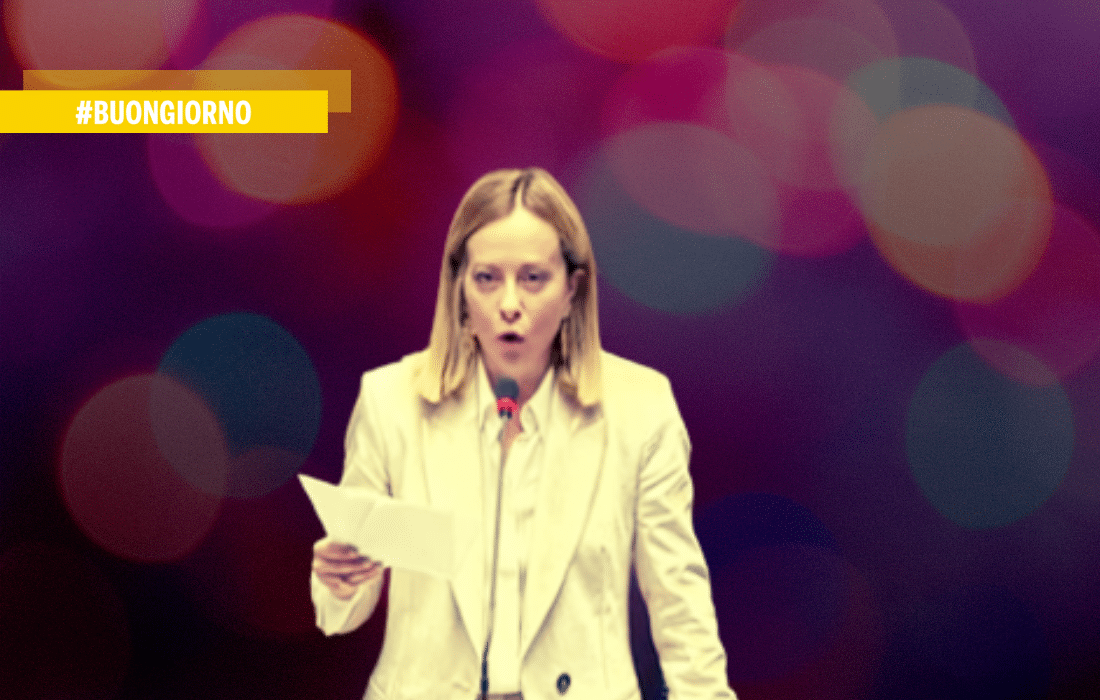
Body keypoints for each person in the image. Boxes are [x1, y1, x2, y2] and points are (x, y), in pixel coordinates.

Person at [311, 167, 735, 700]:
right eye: (487, 278)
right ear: (459, 288)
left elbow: (677, 597)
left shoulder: (640, 408)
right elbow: (342, 612)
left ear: (572, 288)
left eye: (533, 278)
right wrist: (340, 578)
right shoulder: (391, 400)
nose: (509, 304)